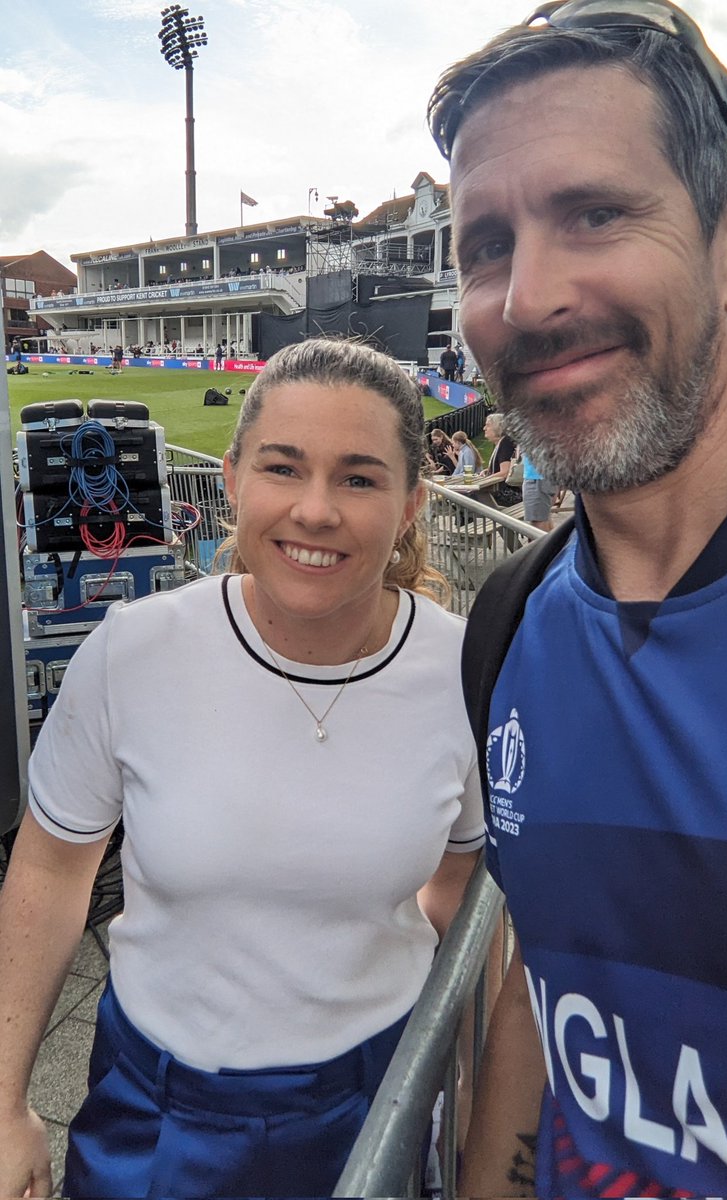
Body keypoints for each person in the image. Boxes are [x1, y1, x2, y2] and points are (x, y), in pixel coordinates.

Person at [428, 1, 727, 1196]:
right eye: (487, 244)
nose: (525, 299)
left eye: (593, 213)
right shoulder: (509, 627)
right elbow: (548, 980)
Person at [0, 338, 484, 1199]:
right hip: (155, 1108)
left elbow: (461, 888)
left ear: (411, 502)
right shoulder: (134, 651)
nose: (315, 510)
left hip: (374, 1100)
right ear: (231, 479)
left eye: (359, 478)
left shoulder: (467, 673)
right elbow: (49, 869)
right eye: (282, 468)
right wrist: (4, 1106)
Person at [482, 411, 521, 507]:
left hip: (507, 493)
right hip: (503, 491)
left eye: (488, 425)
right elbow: (503, 467)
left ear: (497, 427)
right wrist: (488, 471)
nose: (484, 428)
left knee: (469, 497)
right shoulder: (501, 443)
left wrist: (484, 480)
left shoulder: (505, 443)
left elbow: (505, 472)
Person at [521, 454, 557, 532]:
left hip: (537, 477)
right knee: (544, 519)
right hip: (543, 477)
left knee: (537, 525)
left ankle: (545, 540)